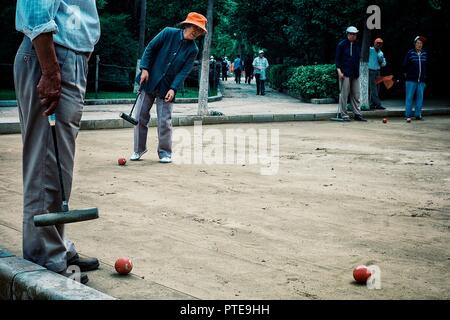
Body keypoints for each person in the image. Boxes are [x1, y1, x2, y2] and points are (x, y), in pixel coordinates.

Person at [14, 0, 101, 284]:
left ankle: (56, 247)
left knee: (58, 166)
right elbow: (36, 8)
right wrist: (51, 69)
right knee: (46, 164)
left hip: (67, 56)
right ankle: (44, 257)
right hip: (52, 56)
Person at [131, 12, 207, 163]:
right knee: (139, 116)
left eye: (199, 31)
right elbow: (150, 48)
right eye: (195, 28)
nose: (196, 32)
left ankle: (165, 152)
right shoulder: (168, 33)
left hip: (167, 88)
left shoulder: (193, 50)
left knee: (165, 121)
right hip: (149, 81)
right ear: (187, 25)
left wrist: (173, 88)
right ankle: (138, 150)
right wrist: (144, 68)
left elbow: (184, 71)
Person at [335, 26, 367, 122]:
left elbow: (357, 59)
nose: (354, 36)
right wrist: (339, 71)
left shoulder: (357, 45)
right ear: (348, 34)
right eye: (352, 34)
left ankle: (357, 114)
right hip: (345, 73)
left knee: (356, 94)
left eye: (355, 34)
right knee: (344, 94)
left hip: (355, 73)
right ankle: (343, 114)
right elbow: (337, 59)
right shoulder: (342, 45)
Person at [403, 36, 429, 121]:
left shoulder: (424, 53)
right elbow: (404, 65)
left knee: (420, 98)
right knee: (409, 97)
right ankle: (408, 115)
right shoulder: (410, 53)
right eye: (417, 43)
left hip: (421, 80)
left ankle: (418, 115)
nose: (419, 45)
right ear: (415, 44)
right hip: (410, 80)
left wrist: (424, 79)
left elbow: (426, 67)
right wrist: (406, 75)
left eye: (421, 43)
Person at [368, 38, 387, 110]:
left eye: (380, 43)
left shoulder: (381, 53)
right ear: (374, 43)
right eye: (377, 43)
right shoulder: (370, 50)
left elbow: (384, 63)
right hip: (371, 71)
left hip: (378, 71)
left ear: (381, 45)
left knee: (377, 88)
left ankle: (372, 104)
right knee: (373, 88)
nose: (378, 44)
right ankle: (378, 104)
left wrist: (381, 62)